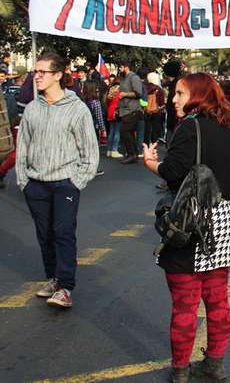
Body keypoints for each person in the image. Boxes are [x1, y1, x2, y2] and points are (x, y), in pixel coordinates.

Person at [142, 72, 230, 382]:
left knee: (184, 304)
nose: (174, 100)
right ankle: (215, 363)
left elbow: (171, 172)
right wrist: (222, 191)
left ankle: (180, 369)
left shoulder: (189, 127)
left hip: (189, 224)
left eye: (179, 94)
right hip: (220, 223)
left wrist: (149, 163)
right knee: (217, 298)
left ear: (196, 95)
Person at [15, 52, 99, 308]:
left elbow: (90, 152)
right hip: (35, 183)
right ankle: (53, 277)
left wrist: (76, 182)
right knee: (45, 234)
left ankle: (65, 286)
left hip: (65, 183)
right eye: (34, 72)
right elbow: (23, 147)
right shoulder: (32, 108)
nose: (36, 76)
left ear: (59, 75)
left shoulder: (77, 109)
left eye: (42, 72)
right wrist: (24, 181)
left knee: (63, 232)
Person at [118, 62, 144, 164]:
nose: (119, 69)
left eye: (120, 67)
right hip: (125, 109)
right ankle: (133, 154)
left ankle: (132, 154)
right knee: (128, 133)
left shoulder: (134, 77)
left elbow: (138, 93)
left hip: (133, 109)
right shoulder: (124, 78)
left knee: (124, 131)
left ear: (126, 67)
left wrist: (125, 94)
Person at [82, 80, 106, 176]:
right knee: (93, 149)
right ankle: (93, 169)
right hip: (92, 127)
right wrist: (103, 129)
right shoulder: (95, 102)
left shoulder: (81, 100)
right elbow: (99, 116)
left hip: (82, 127)